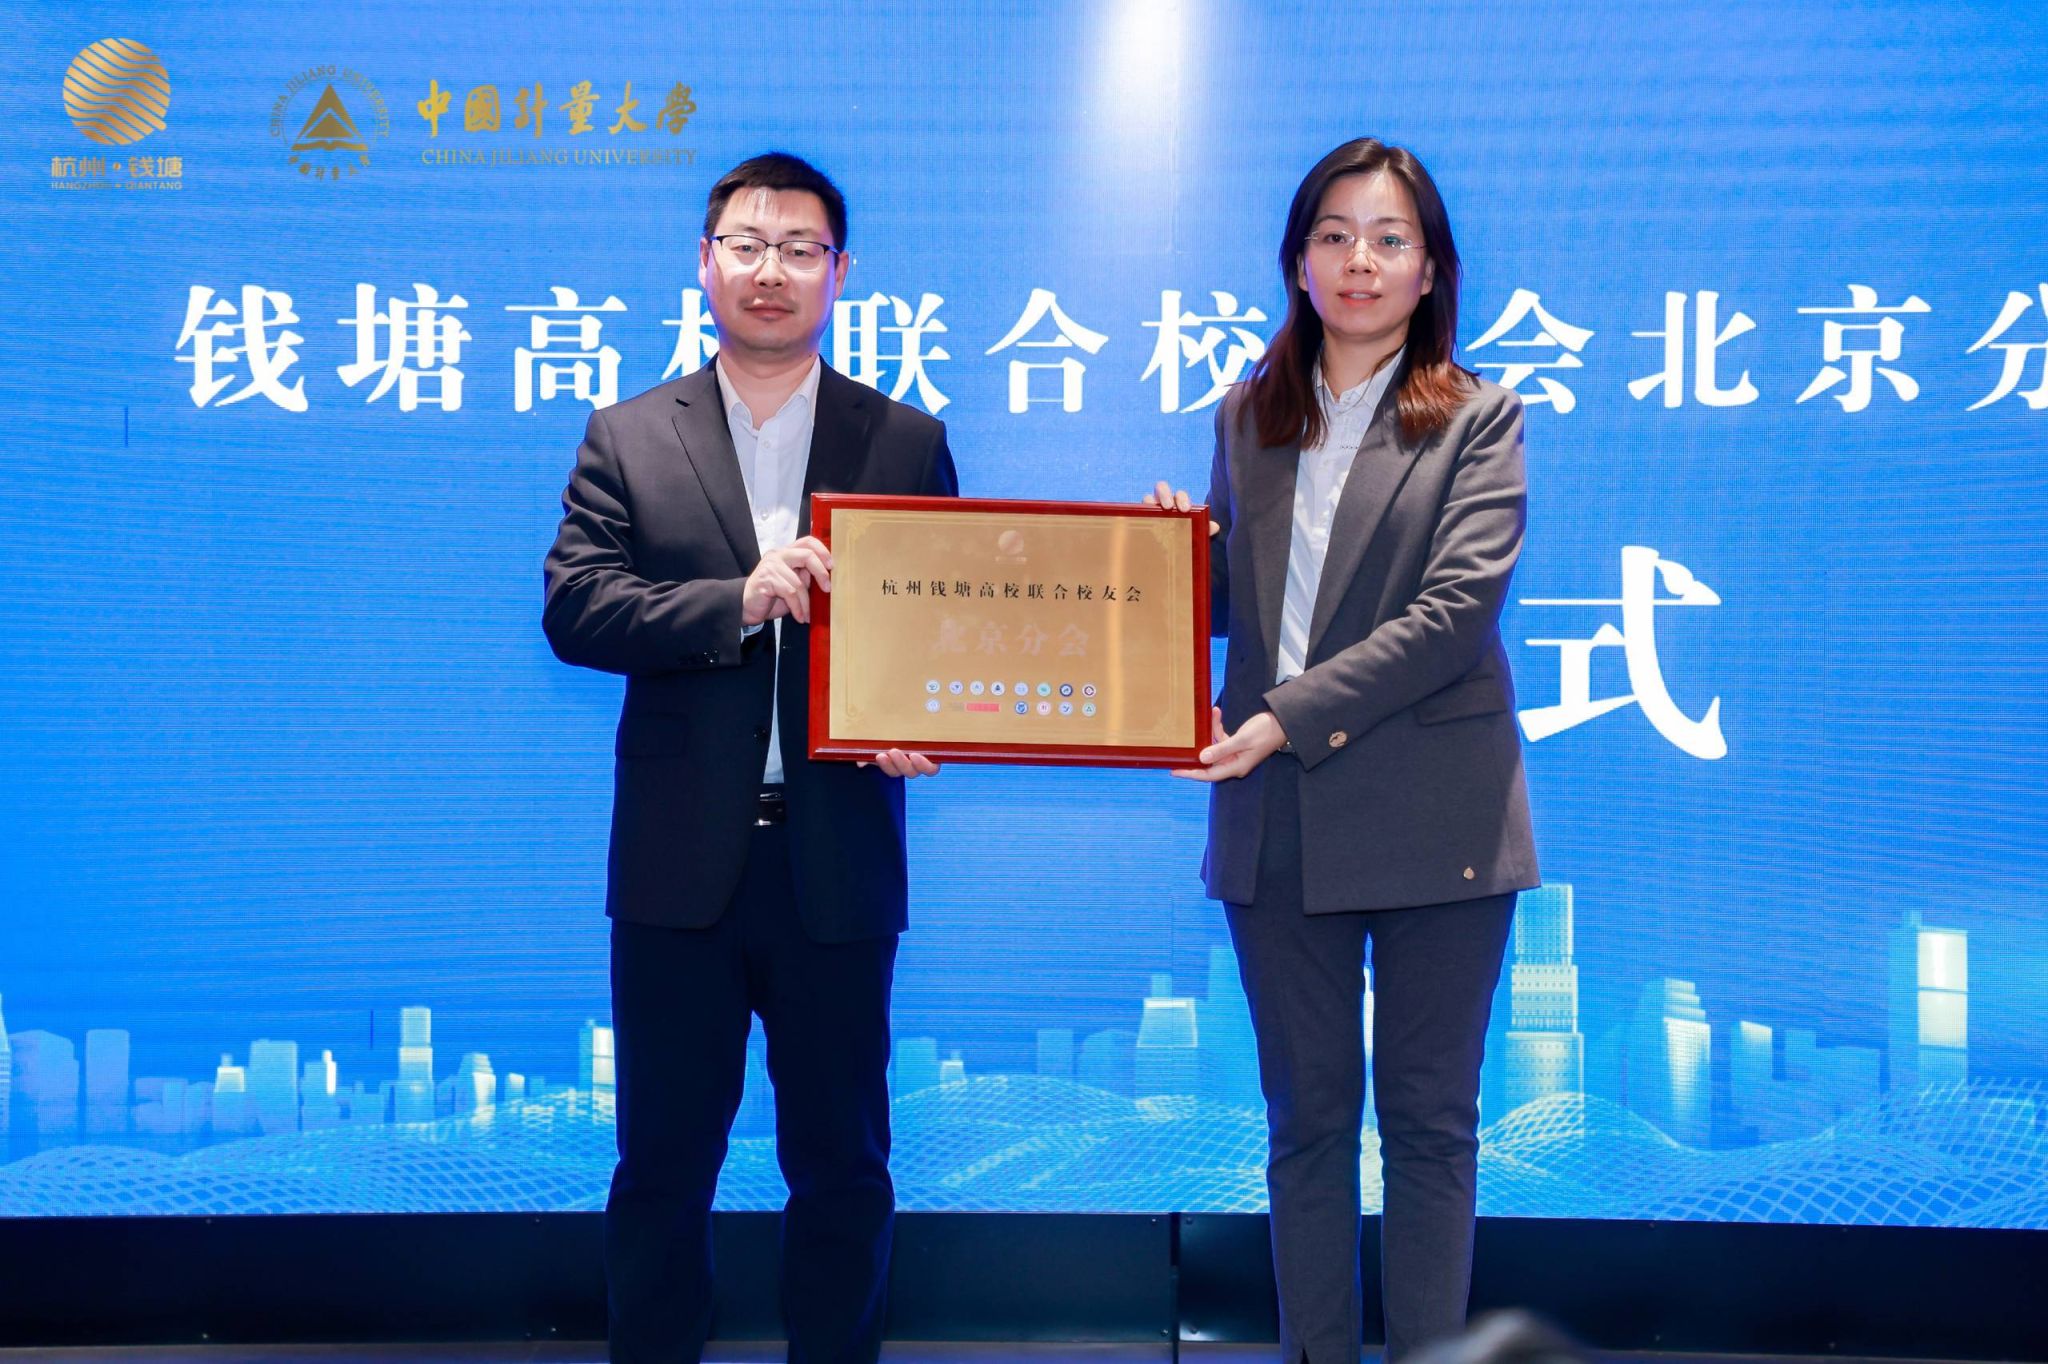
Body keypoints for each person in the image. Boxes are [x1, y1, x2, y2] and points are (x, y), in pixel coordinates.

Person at [543, 151, 957, 1364]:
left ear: (840, 272)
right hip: (677, 870)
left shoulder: (903, 439)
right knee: (661, 1166)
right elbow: (576, 608)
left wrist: (922, 716)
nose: (769, 269)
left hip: (836, 863)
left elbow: (942, 630)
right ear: (704, 261)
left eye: (798, 248)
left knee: (844, 1165)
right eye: (746, 243)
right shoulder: (629, 435)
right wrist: (737, 598)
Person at [1148, 137, 1538, 1363]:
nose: (1357, 259)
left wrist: (1279, 716)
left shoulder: (1476, 418)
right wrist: (1165, 564)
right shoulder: (1247, 416)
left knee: (1428, 1125)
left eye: (1387, 237)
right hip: (1279, 820)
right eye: (1332, 235)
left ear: (1428, 270)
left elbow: (1451, 615)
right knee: (1303, 1123)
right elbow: (1246, 607)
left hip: (1434, 816)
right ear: (1297, 262)